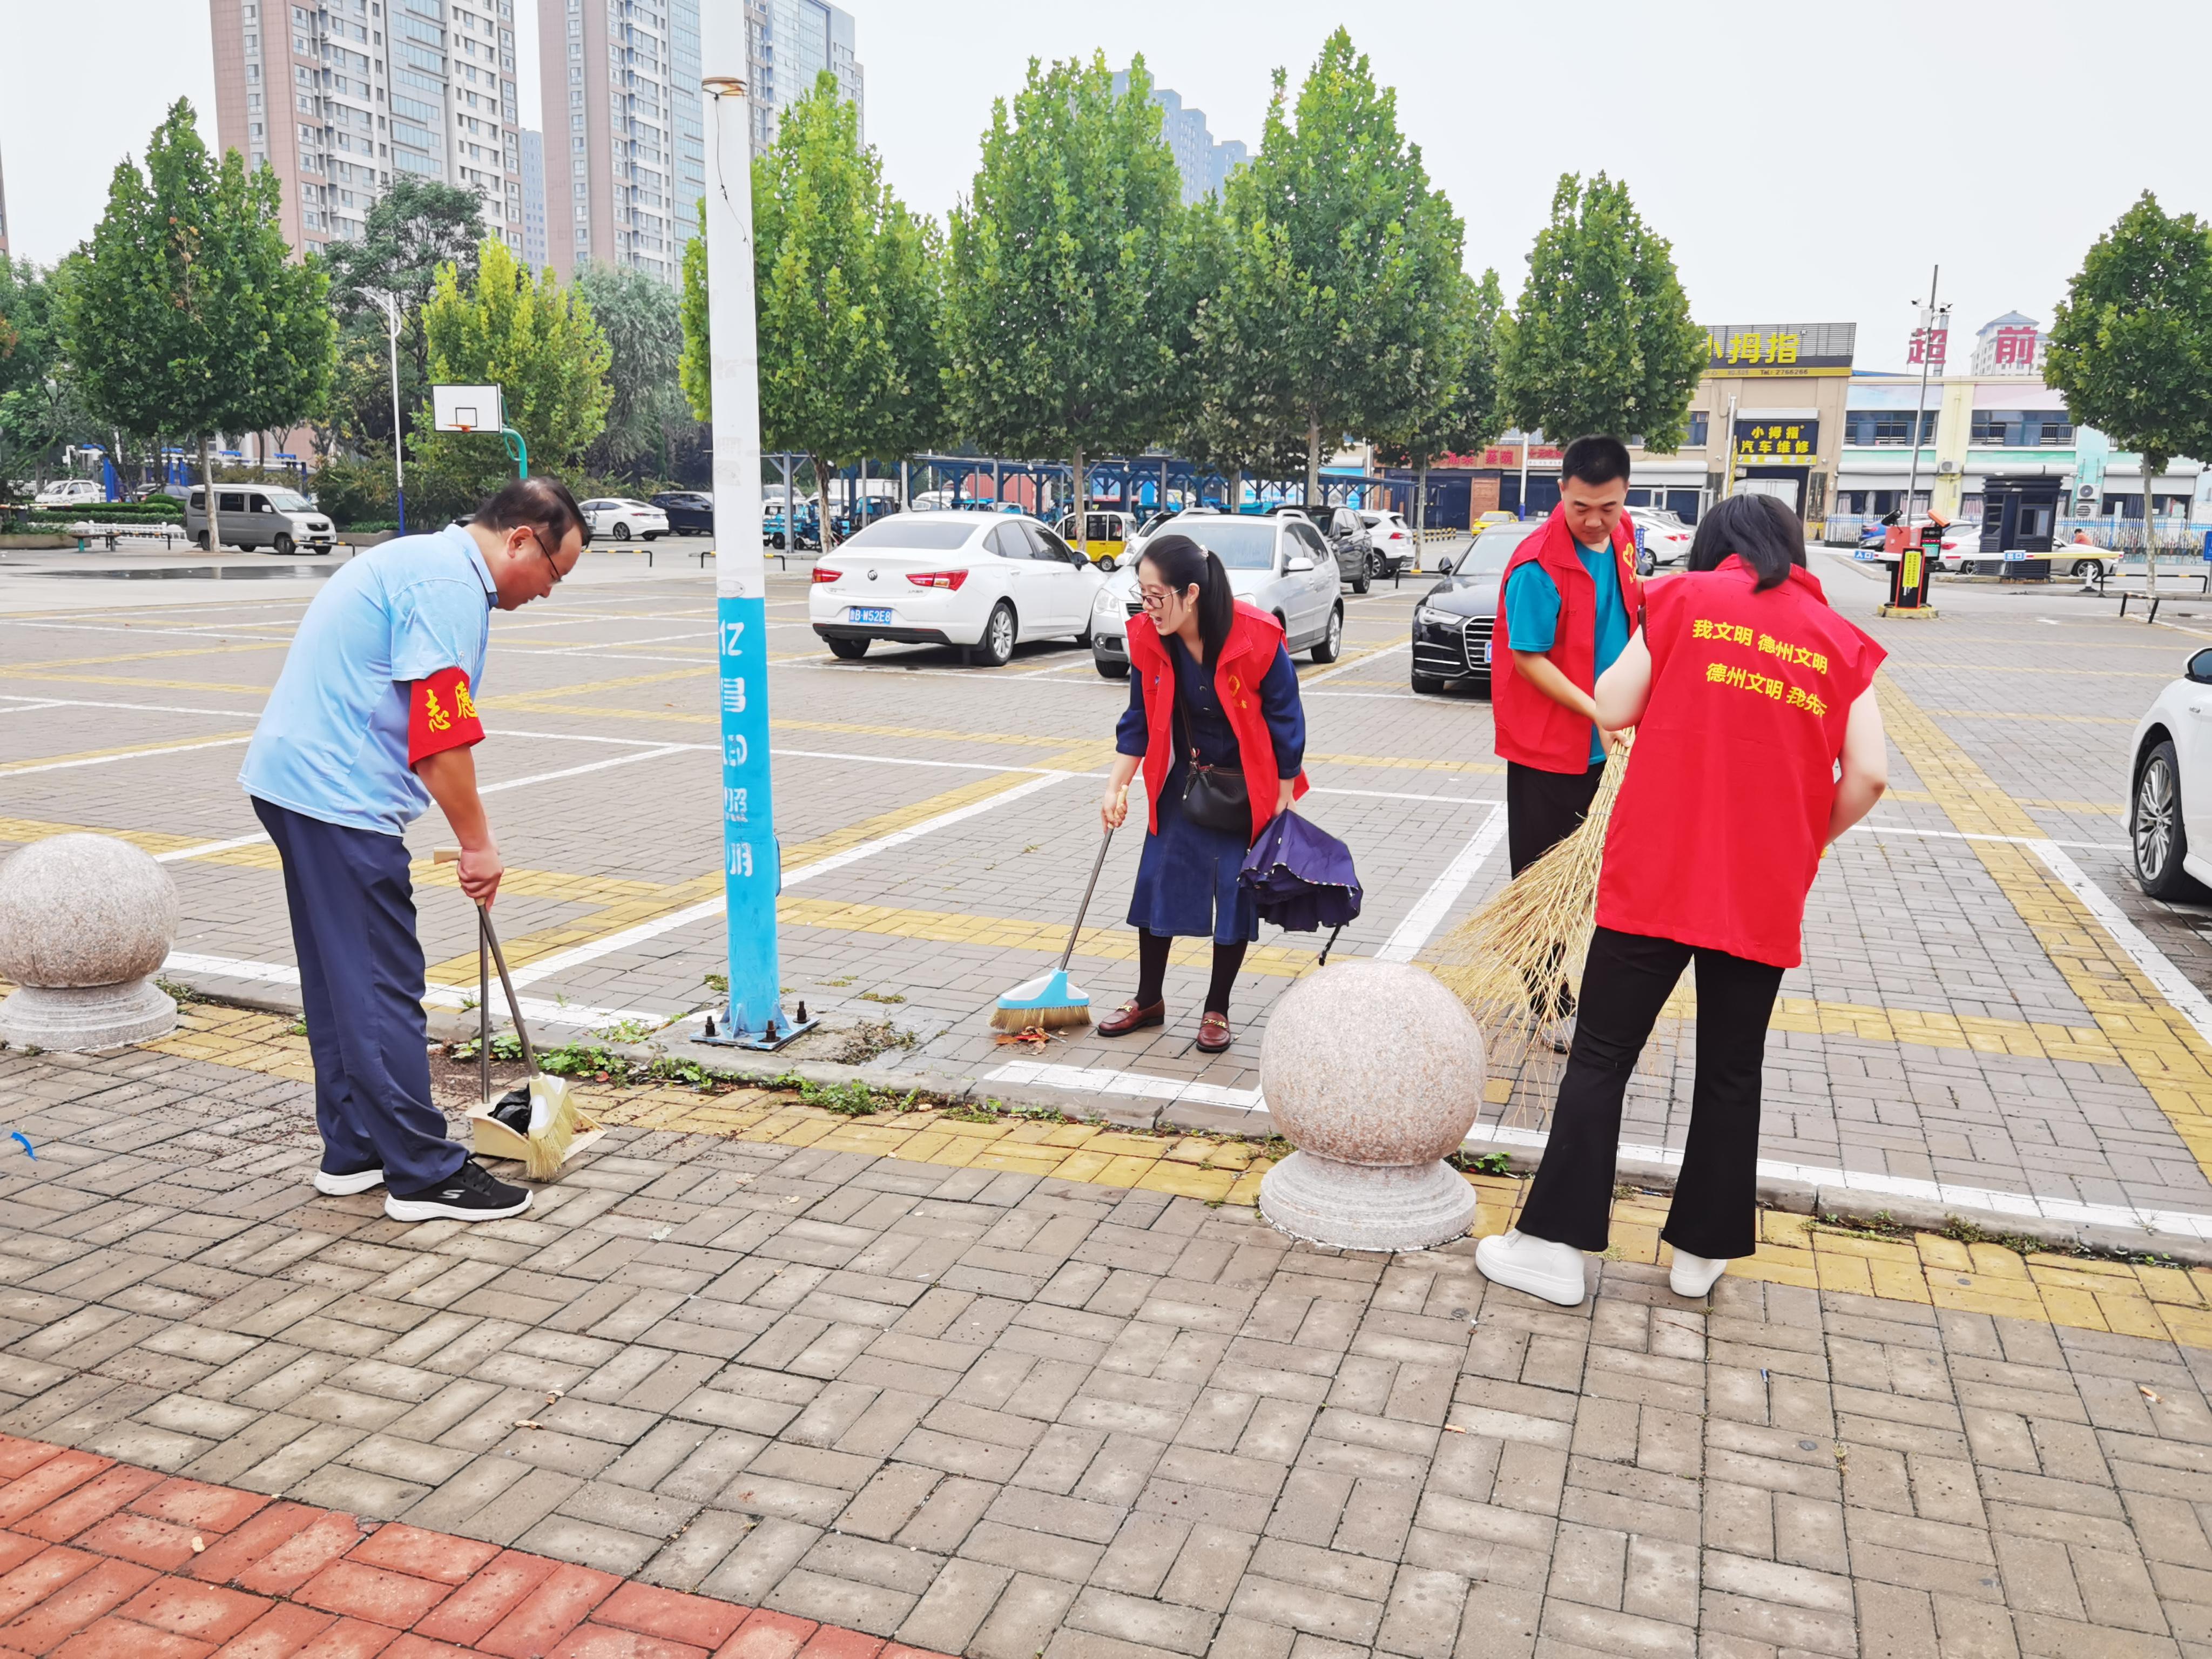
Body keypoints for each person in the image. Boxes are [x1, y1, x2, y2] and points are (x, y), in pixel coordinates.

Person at [1475, 493, 1889, 1307]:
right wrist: (1802, 843)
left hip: (1656, 874)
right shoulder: (1840, 642)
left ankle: (1555, 1250)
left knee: (1602, 1055)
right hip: (1761, 889)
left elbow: (1617, 702)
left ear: (1713, 544)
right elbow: (1870, 775)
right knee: (1734, 1070)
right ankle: (1701, 1255)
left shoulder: (1683, 601)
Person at [239, 477, 589, 1223]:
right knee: (380, 985)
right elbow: (441, 736)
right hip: (337, 800)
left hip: (294, 783)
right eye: (555, 574)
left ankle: (355, 1147)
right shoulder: (447, 588)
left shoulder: (426, 563)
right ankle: (425, 1175)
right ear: (522, 538)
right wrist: (478, 845)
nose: (549, 593)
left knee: (342, 983)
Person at [1096, 532, 1309, 1053]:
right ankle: (1149, 999)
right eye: (1142, 595)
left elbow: (1286, 717)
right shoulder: (1150, 637)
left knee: (1235, 895)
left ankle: (1218, 1008)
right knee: (1157, 881)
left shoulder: (1256, 635)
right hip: (1185, 781)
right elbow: (1139, 719)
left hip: (1248, 786)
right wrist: (1116, 784)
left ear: (1191, 592)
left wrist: (1283, 796)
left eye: (1156, 596)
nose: (1147, 607)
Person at [1494, 435, 1643, 1040]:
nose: (1593, 520)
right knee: (1541, 877)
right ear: (1561, 492)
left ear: (1625, 495)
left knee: (1593, 878)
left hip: (1612, 741)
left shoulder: (1626, 536)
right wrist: (1597, 715)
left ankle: (1572, 982)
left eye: (1607, 507)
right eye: (1580, 506)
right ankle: (1546, 999)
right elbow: (1528, 658)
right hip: (1549, 748)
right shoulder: (1536, 564)